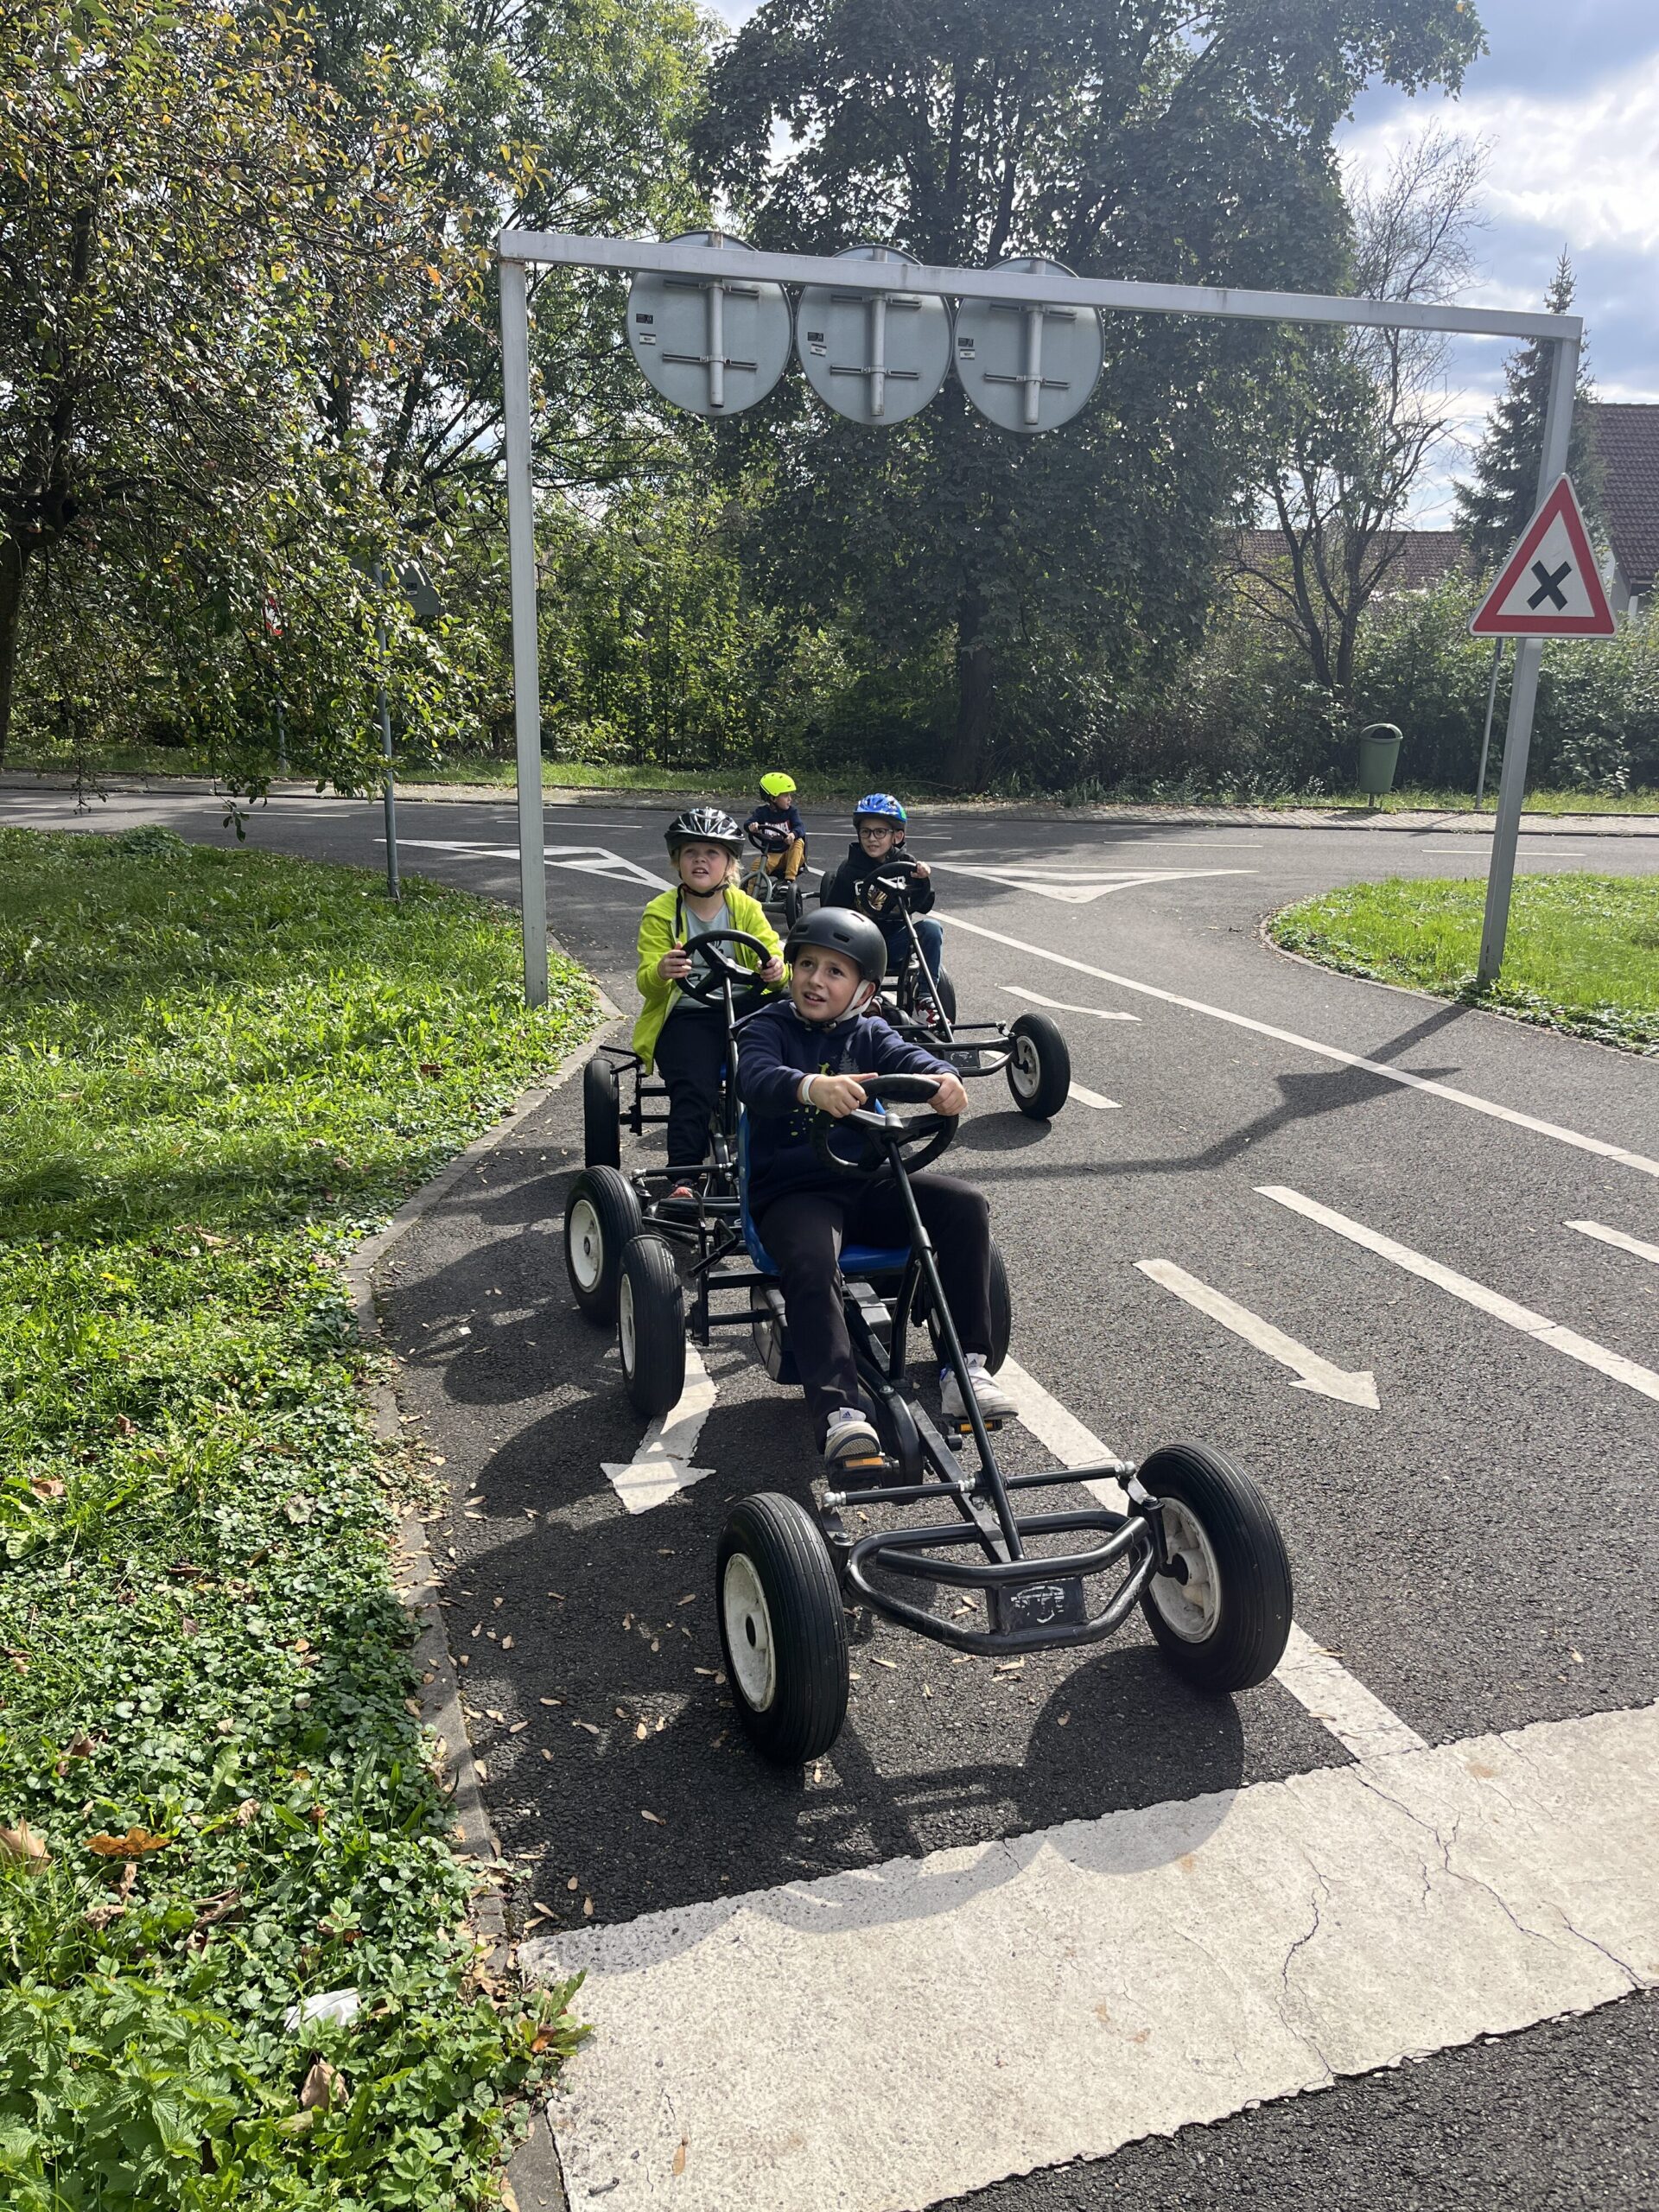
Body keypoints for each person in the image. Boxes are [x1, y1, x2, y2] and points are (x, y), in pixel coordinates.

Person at [737, 906, 1015, 1470]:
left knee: (964, 1205)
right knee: (813, 1260)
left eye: (834, 972)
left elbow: (911, 1059)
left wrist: (944, 1080)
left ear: (864, 991)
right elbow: (755, 1076)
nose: (816, 980)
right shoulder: (768, 1027)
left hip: (868, 1184)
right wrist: (810, 1087)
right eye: (807, 965)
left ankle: (965, 1368)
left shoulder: (870, 1032)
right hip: (794, 1193)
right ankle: (840, 1412)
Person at [634, 808, 784, 1200]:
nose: (701, 860)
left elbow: (774, 957)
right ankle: (684, 1177)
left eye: (712, 853)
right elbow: (647, 982)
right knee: (695, 1086)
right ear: (677, 861)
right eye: (691, 852)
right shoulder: (661, 912)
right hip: (687, 1013)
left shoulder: (745, 908)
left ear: (730, 864)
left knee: (773, 1073)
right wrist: (662, 971)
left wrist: (775, 970)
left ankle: (784, 1157)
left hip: (744, 1005)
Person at [819, 791, 943, 1004]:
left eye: (880, 832)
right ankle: (867, 1000)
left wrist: (922, 880)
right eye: (866, 832)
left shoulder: (906, 864)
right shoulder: (850, 870)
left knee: (931, 928)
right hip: (860, 946)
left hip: (895, 941)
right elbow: (831, 913)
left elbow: (924, 906)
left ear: (897, 836)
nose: (871, 838)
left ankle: (926, 998)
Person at [744, 772, 807, 885]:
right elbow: (747, 824)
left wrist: (793, 834)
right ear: (773, 798)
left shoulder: (792, 812)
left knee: (798, 842)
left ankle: (789, 881)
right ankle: (751, 892)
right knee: (756, 866)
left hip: (790, 854)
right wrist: (752, 826)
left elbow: (800, 827)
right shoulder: (762, 812)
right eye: (785, 796)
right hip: (772, 855)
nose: (790, 799)